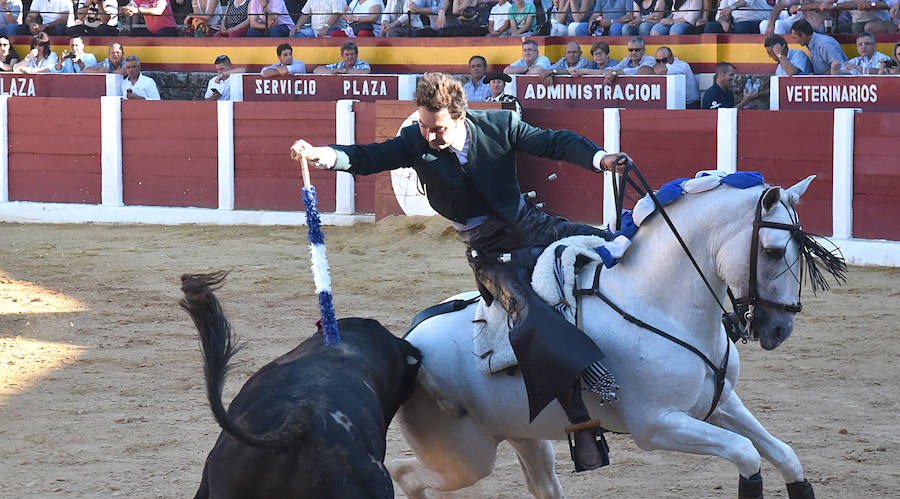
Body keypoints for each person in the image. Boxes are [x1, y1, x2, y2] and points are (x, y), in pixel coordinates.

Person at [289, 72, 631, 473]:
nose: (429, 135)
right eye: (423, 126)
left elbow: (554, 142)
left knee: (618, 247)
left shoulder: (500, 126)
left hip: (535, 226)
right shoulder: (416, 142)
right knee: (530, 316)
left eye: (437, 128)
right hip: (490, 253)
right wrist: (321, 155)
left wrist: (599, 159)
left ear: (460, 117)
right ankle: (580, 419)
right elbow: (368, 157)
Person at [705, 0, 771, 33]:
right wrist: (723, 23)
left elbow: (745, 2)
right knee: (710, 27)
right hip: (737, 24)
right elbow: (721, 13)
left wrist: (731, 7)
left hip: (758, 21)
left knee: (740, 28)